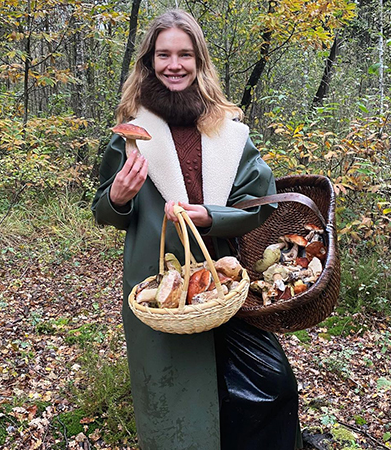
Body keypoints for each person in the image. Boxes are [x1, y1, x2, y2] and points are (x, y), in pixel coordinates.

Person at [92, 9, 303, 450]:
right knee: (176, 396)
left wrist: (211, 216)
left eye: (184, 54)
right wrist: (119, 197)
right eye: (163, 54)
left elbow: (258, 201)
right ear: (149, 62)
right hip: (159, 284)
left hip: (224, 277)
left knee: (272, 381)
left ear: (200, 61)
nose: (174, 65)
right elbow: (104, 211)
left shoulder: (228, 132)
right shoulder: (132, 132)